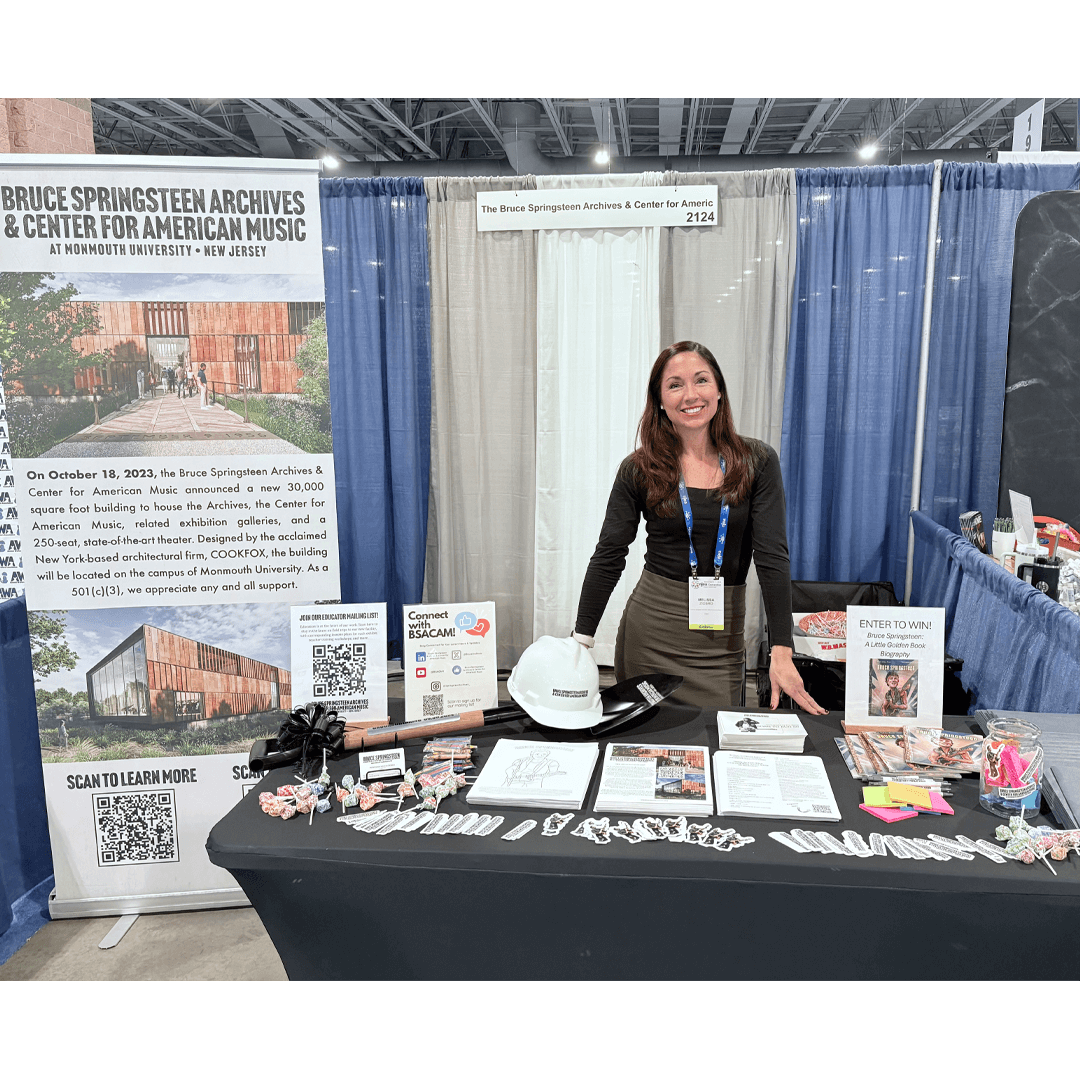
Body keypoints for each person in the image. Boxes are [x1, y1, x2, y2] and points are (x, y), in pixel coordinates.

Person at [572, 341, 825, 714]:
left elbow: (773, 558)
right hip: (652, 631)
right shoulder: (639, 468)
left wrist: (782, 651)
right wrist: (580, 642)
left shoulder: (757, 461)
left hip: (722, 639)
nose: (690, 395)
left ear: (719, 391)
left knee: (717, 743)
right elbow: (610, 554)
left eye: (701, 380)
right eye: (674, 385)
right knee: (645, 748)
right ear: (659, 400)